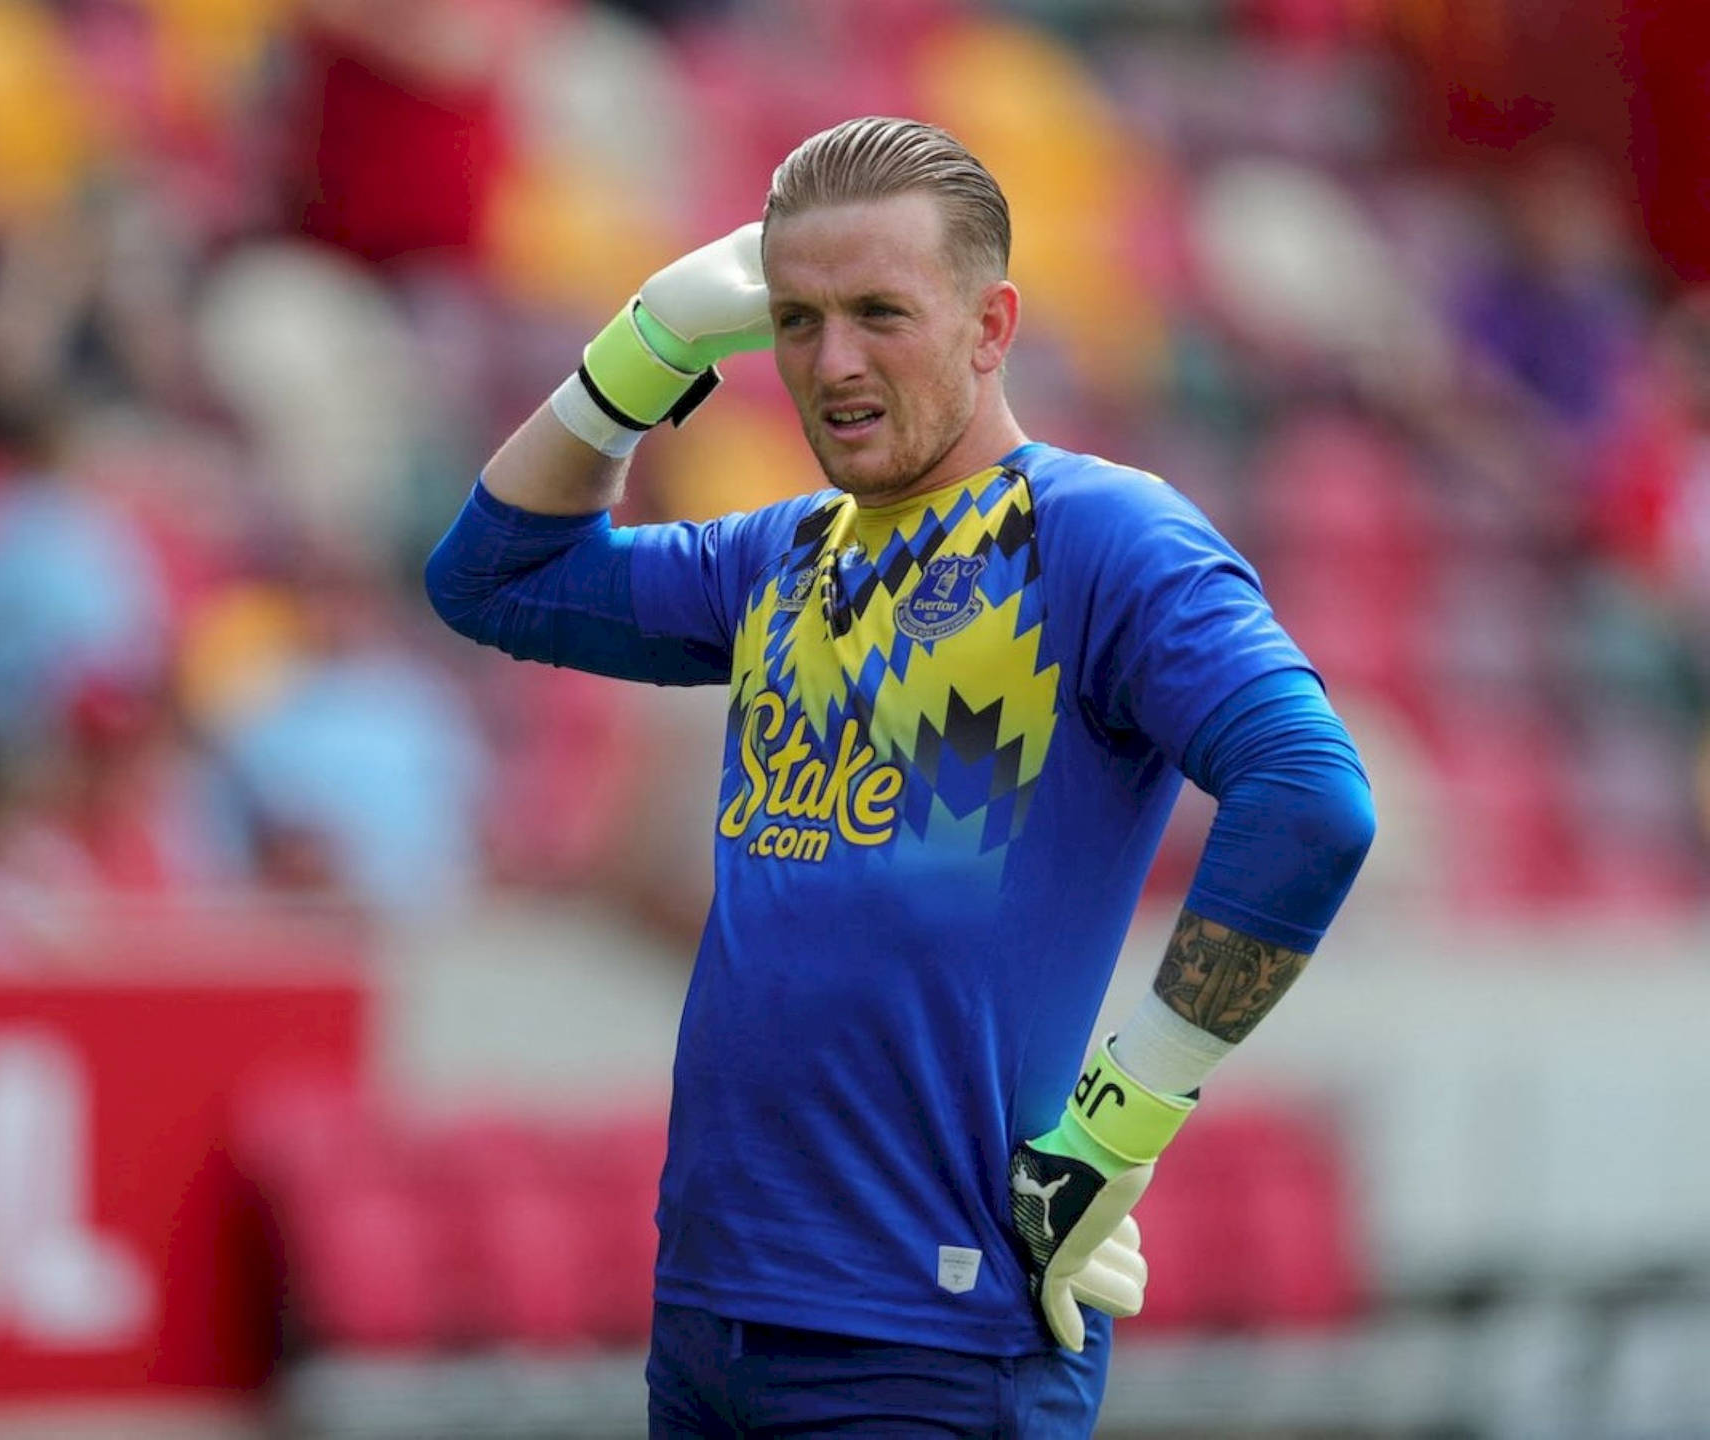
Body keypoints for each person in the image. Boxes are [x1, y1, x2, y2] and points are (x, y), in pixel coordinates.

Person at [426, 117, 1375, 1438]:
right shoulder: (780, 557)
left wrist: (1117, 1130)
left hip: (934, 1334)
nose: (835, 363)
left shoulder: (1104, 539)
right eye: (798, 321)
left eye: (882, 313)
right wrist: (647, 345)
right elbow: (489, 577)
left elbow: (1311, 799)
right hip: (713, 1306)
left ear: (993, 327)